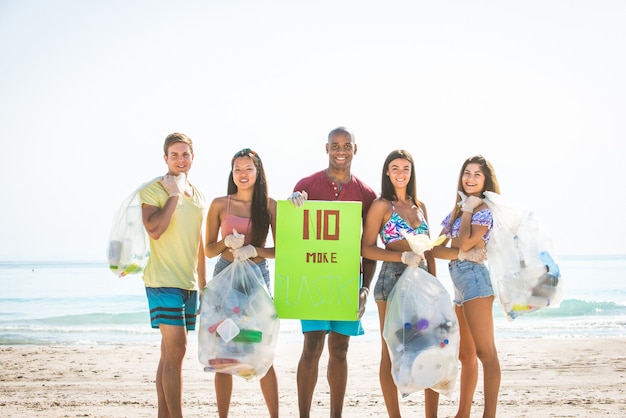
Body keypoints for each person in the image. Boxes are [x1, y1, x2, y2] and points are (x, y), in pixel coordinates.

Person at [288, 127, 377, 418]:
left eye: (346, 145)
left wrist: (366, 287)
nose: (341, 151)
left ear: (355, 149)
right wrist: (293, 203)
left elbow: (369, 246)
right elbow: (291, 233)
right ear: (326, 148)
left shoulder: (366, 194)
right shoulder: (307, 184)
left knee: (340, 349)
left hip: (348, 280)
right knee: (312, 345)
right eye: (335, 145)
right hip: (313, 278)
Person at [205, 148, 279, 418]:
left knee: (260, 347)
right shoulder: (218, 204)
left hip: (257, 276)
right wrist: (225, 243)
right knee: (222, 348)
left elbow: (281, 250)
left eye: (248, 168)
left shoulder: (269, 206)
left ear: (257, 172)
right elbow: (209, 250)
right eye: (238, 169)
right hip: (225, 275)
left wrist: (254, 250)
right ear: (231, 172)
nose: (243, 174)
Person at [140, 132, 207, 418]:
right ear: (165, 158)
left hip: (187, 284)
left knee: (169, 354)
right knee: (178, 349)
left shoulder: (199, 194)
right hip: (162, 281)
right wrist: (173, 195)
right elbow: (154, 229)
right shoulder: (154, 189)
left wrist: (204, 286)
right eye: (175, 155)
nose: (181, 159)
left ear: (193, 157)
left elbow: (199, 243)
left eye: (185, 154)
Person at [430, 155, 501, 418]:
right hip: (460, 285)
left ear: (486, 181)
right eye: (467, 173)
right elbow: (437, 251)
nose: (470, 179)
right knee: (466, 355)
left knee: (486, 353)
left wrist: (469, 208)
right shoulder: (457, 211)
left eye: (477, 175)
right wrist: (459, 252)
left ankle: (489, 415)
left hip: (476, 283)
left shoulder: (483, 211)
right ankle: (464, 413)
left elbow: (466, 242)